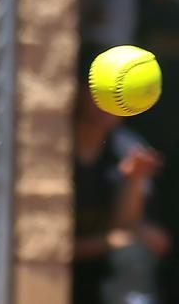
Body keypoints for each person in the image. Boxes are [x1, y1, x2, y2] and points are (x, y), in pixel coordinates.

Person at [83, 0, 179, 301]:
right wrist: (117, 137)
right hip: (131, 141)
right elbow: (99, 73)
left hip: (171, 140)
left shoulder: (174, 3)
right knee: (139, 240)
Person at [72, 47, 166, 304]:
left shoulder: (128, 147)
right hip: (63, 267)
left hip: (101, 271)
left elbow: (129, 228)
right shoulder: (55, 148)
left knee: (134, 253)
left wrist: (133, 180)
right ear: (80, 91)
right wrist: (108, 241)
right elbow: (49, 248)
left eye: (123, 91)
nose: (110, 101)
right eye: (100, 90)